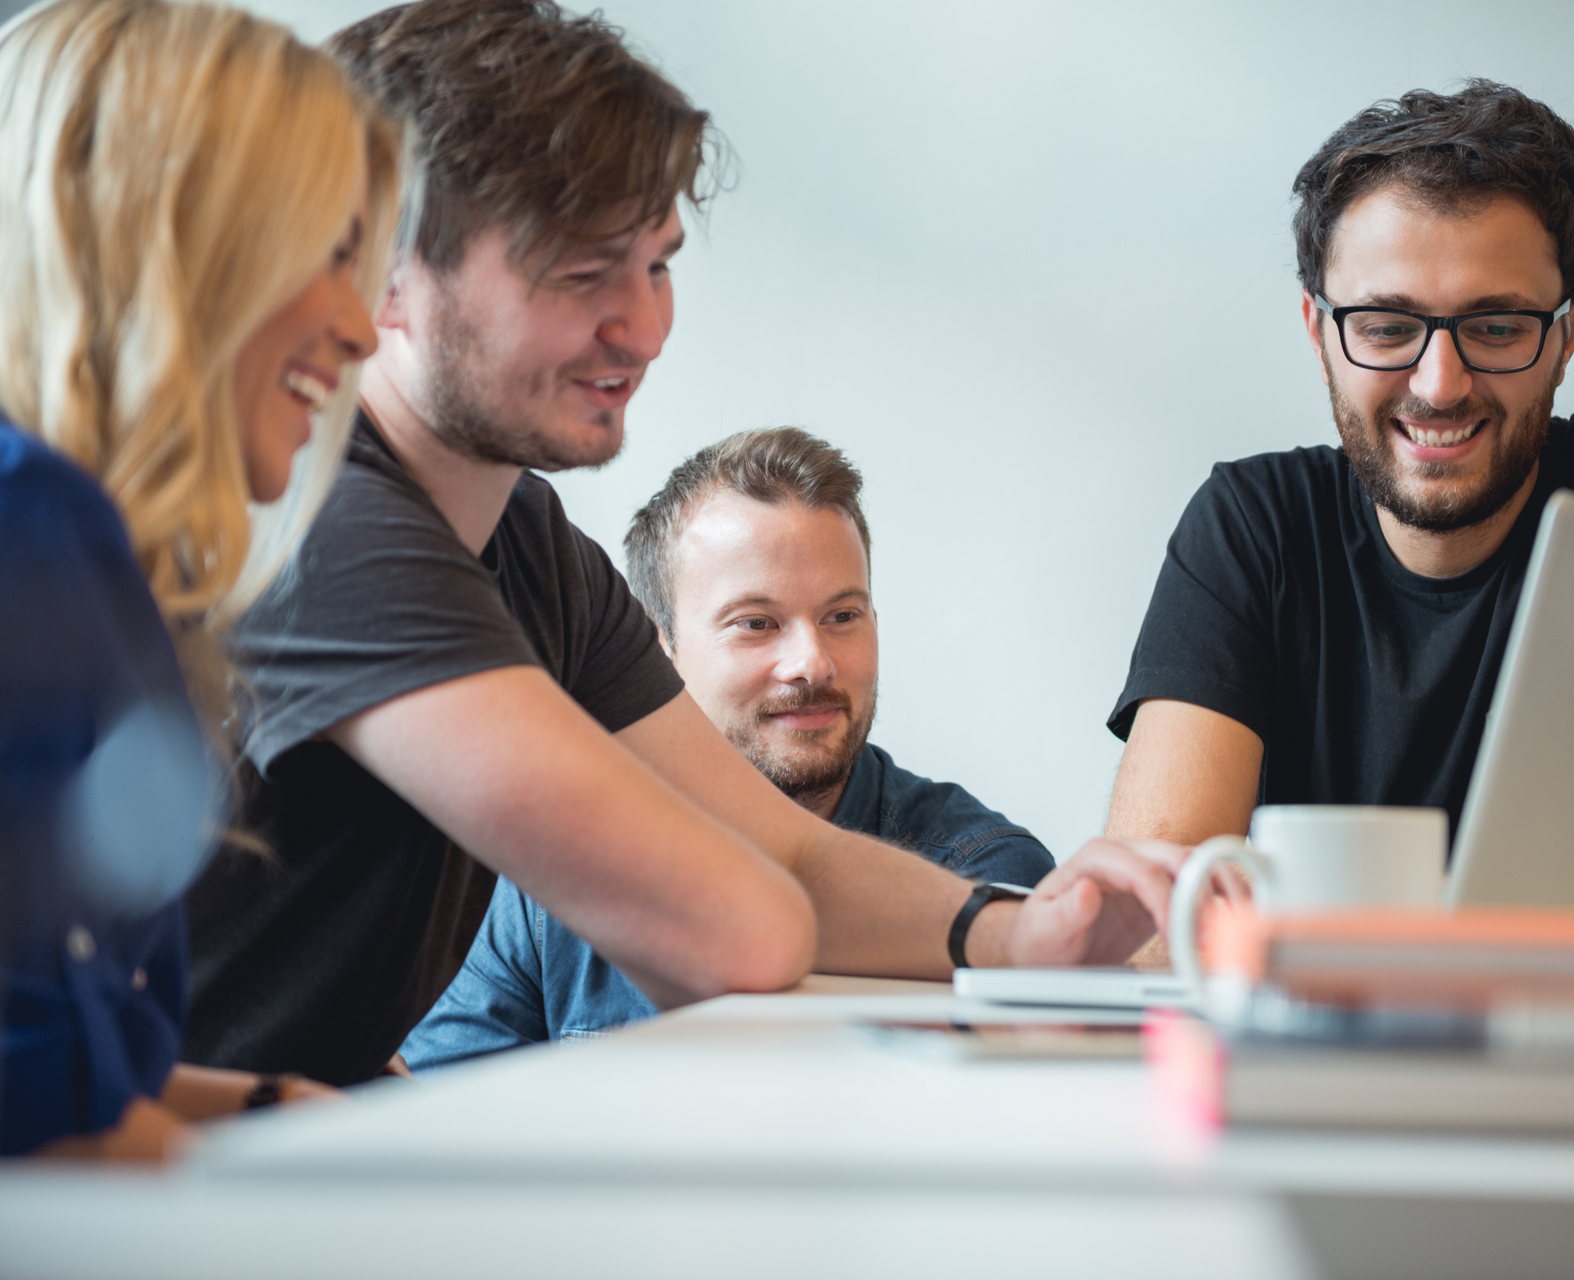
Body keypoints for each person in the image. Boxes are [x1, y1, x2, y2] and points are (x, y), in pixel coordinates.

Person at [185, 0, 1181, 1089]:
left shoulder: (528, 538)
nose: (644, 327)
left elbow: (785, 847)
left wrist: (1015, 933)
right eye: (580, 272)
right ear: (384, 270)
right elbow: (736, 929)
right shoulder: (334, 522)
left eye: (656, 264)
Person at [1105, 80, 1574, 909]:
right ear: (1321, 335)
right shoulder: (1252, 527)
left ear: (1568, 335)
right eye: (1387, 326)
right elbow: (1149, 919)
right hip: (1325, 1036)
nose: (1440, 383)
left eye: (1496, 327)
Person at [0, 0, 399, 1157]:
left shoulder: (76, 542)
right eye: (327, 252)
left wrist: (263, 1106)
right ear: (173, 237)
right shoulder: (34, 522)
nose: (360, 329)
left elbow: (56, 1052)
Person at [401, 428, 1057, 1068]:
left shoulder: (985, 877)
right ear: (651, 651)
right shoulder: (540, 885)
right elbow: (432, 1134)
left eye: (842, 616)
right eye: (756, 624)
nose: (812, 663)